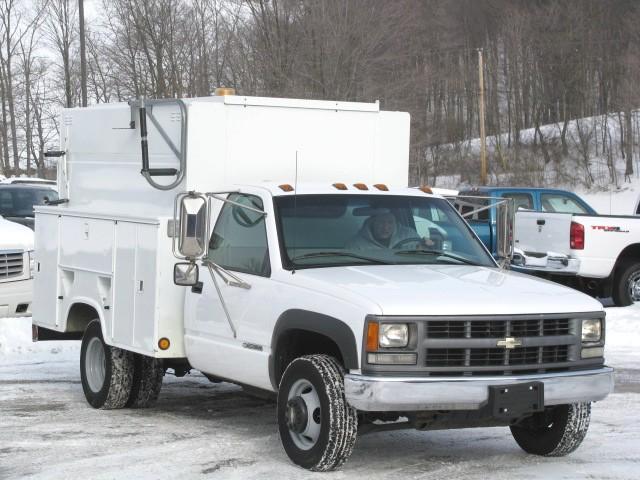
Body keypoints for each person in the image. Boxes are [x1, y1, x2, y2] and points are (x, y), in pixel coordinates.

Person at [347, 211, 433, 250]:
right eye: (381, 222)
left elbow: (422, 258)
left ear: (395, 222)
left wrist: (427, 247)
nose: (385, 227)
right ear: (372, 222)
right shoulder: (356, 244)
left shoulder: (409, 235)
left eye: (390, 222)